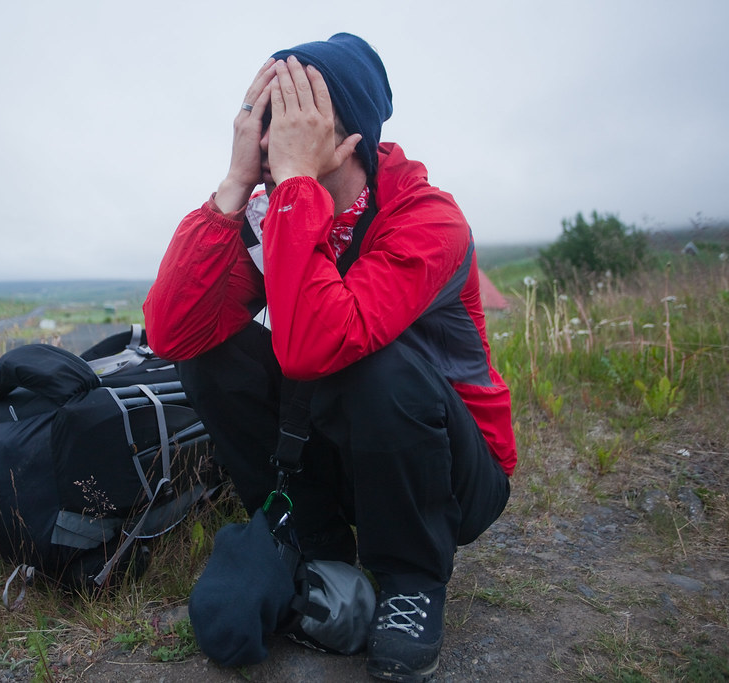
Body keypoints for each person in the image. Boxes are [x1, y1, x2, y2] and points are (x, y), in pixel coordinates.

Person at [143, 33, 516, 682]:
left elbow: (322, 342)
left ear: (342, 141)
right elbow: (173, 330)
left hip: (455, 471)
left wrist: (292, 189)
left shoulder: (427, 219)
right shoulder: (273, 208)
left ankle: (411, 581)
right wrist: (235, 186)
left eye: (286, 122)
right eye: (262, 120)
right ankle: (314, 540)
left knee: (375, 363)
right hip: (354, 449)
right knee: (210, 352)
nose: (267, 139)